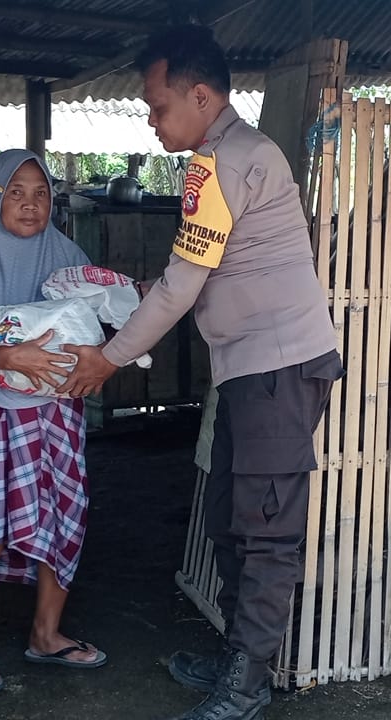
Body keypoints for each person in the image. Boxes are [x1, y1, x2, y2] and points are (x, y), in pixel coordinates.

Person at [59, 25, 341, 720]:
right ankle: (238, 660)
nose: (152, 122)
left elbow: (182, 288)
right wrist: (133, 297)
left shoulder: (228, 162)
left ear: (202, 97)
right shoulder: (222, 161)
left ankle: (246, 685)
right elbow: (193, 273)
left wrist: (108, 359)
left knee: (264, 530)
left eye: (158, 107)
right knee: (227, 516)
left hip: (278, 366)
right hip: (250, 369)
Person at [0, 149, 107, 695]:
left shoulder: (66, 254)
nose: (31, 204)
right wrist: (8, 357)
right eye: (16, 192)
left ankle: (46, 634)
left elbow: (96, 320)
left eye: (40, 193)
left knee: (63, 519)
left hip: (59, 412)